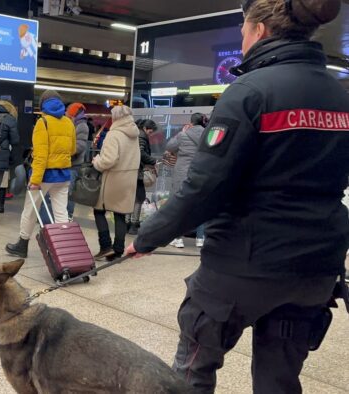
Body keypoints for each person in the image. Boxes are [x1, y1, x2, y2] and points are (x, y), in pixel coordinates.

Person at [126, 0, 349, 392]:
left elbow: (205, 188)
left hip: (242, 264)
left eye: (243, 30)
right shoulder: (340, 96)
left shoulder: (249, 92)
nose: (242, 39)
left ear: (259, 30)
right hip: (315, 267)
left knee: (193, 369)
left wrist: (147, 237)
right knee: (279, 380)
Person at [5, 90, 76, 258]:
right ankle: (63, 249)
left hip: (44, 176)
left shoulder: (42, 123)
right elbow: (72, 149)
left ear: (43, 104)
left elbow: (41, 155)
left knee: (30, 210)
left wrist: (35, 180)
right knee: (61, 212)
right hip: (64, 175)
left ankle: (22, 245)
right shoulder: (68, 122)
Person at [92, 106, 140, 261]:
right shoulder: (134, 133)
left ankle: (105, 246)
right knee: (120, 214)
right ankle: (118, 250)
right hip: (129, 179)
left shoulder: (114, 134)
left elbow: (108, 160)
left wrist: (96, 161)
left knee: (99, 210)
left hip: (113, 179)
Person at [39, 102, 89, 224]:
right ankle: (59, 218)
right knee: (62, 194)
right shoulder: (73, 123)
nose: (66, 112)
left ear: (74, 112)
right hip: (68, 164)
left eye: (68, 111)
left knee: (68, 194)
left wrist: (64, 150)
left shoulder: (81, 126)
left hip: (74, 165)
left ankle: (68, 216)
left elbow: (80, 146)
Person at [165, 113, 208, 248]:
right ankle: (200, 238)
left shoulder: (184, 135)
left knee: (180, 206)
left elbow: (170, 146)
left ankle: (178, 239)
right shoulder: (208, 135)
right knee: (200, 206)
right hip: (201, 173)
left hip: (183, 174)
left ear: (191, 122)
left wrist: (182, 132)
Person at [126, 119, 157, 235]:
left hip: (130, 170)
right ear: (146, 128)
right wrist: (152, 161)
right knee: (139, 198)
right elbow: (141, 153)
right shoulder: (142, 136)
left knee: (130, 197)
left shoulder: (135, 133)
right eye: (151, 132)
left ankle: (127, 223)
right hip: (137, 171)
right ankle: (134, 224)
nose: (151, 134)